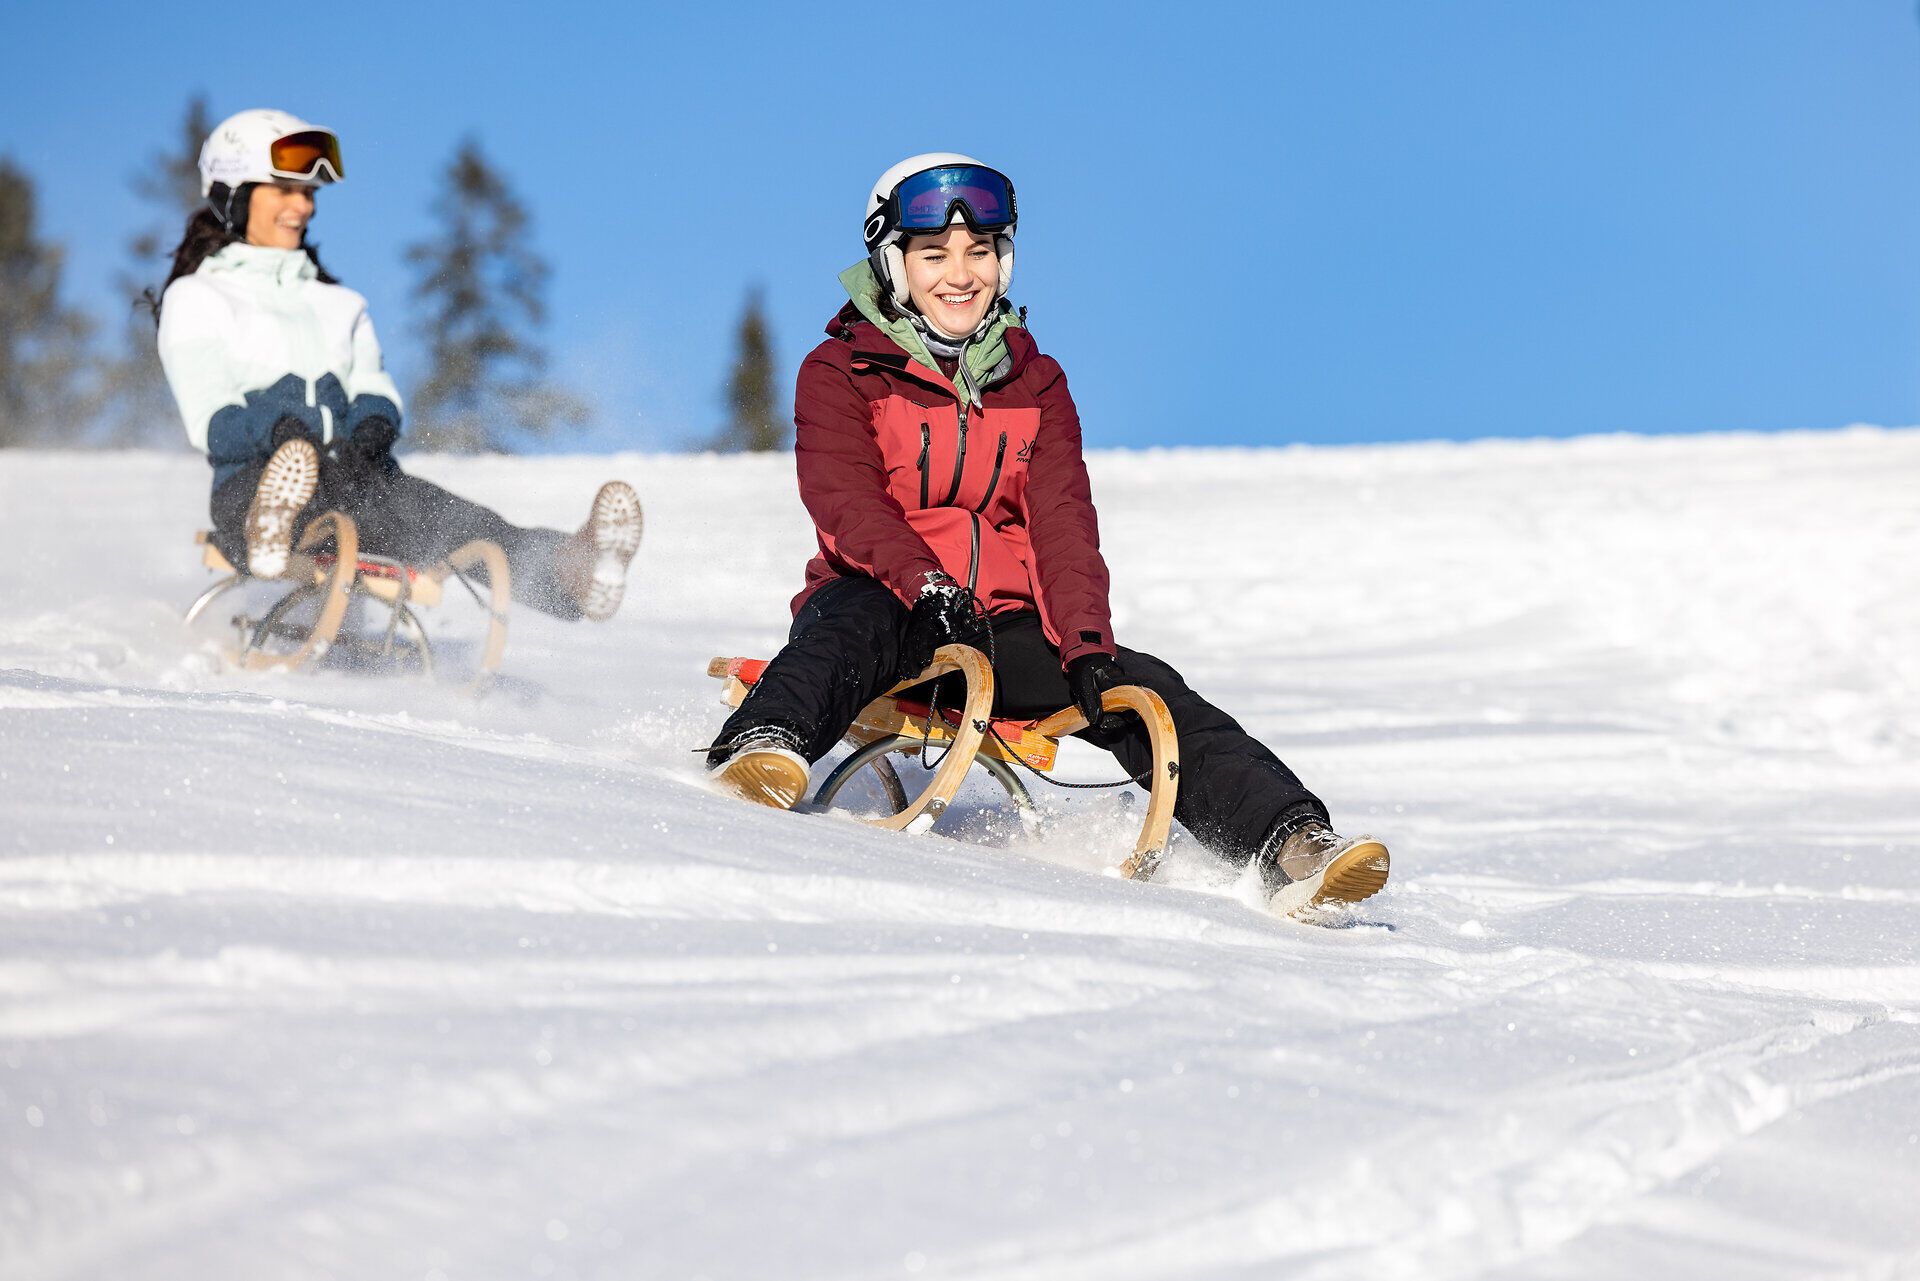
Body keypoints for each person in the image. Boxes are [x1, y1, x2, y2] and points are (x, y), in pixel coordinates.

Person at [705, 153, 1390, 915]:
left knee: (1146, 687)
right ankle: (765, 743)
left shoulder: (1036, 383)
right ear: (894, 265)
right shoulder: (843, 370)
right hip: (886, 598)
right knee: (851, 624)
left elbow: (1062, 524)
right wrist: (925, 585)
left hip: (999, 626)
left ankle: (1289, 841)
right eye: (933, 255)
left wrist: (1087, 646)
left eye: (980, 251)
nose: (960, 274)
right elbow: (846, 500)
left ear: (1003, 261)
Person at [154, 109, 640, 623]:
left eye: (309, 194)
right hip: (252, 477)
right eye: (285, 191)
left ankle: (571, 569)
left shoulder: (340, 303)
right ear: (233, 193)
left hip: (353, 480)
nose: (303, 206)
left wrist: (373, 426)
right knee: (294, 494)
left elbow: (372, 382)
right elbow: (211, 416)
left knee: (457, 522)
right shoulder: (198, 298)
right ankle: (272, 521)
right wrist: (279, 431)